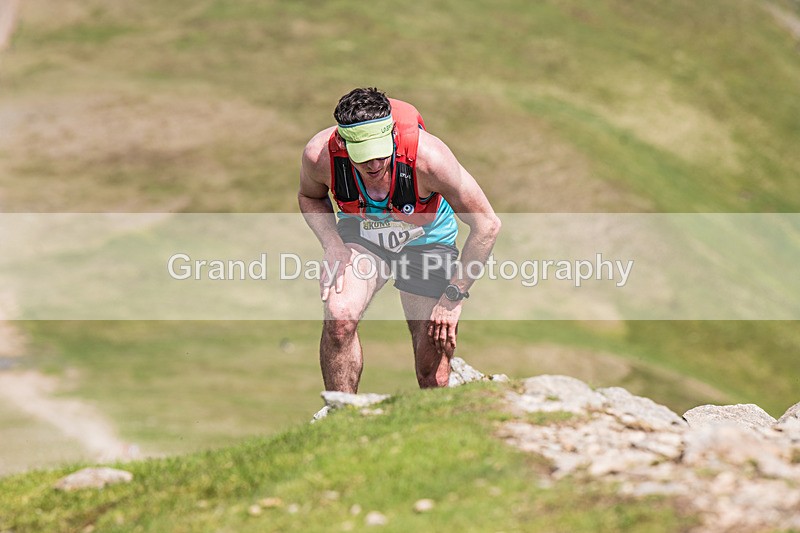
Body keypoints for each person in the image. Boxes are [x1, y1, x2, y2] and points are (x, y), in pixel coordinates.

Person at [298, 87, 500, 393]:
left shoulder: (429, 160)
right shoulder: (320, 156)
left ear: (393, 135)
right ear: (343, 143)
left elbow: (487, 224)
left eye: (381, 153)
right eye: (363, 157)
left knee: (432, 374)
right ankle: (342, 420)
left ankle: (435, 428)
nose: (374, 164)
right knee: (339, 320)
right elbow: (309, 196)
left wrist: (452, 299)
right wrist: (332, 243)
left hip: (427, 240)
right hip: (364, 235)